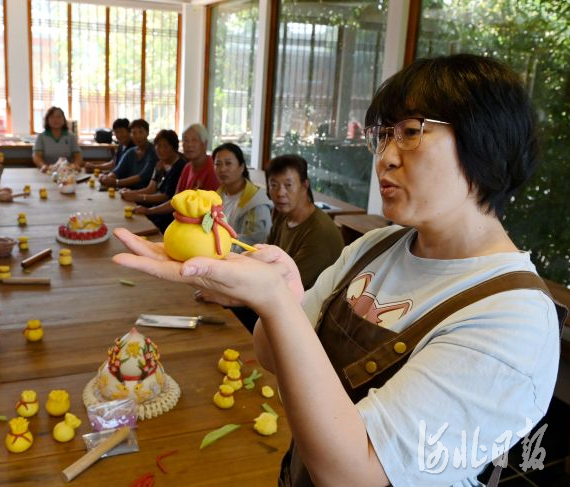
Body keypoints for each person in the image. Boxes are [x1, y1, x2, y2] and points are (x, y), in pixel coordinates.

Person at [111, 54, 565, 486]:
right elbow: (272, 356)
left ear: (487, 142)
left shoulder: (514, 321)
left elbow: (352, 471)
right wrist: (284, 294)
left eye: (410, 131)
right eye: (383, 136)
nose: (385, 156)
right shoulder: (377, 247)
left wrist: (274, 300)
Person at [266, 154, 344, 290]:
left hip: (304, 307)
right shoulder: (283, 215)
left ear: (305, 185)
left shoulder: (320, 232)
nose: (280, 193)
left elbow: (287, 284)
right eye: (274, 185)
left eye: (288, 185)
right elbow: (265, 258)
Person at [140, 124, 220, 227]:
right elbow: (176, 200)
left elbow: (209, 212)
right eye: (185, 141)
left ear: (204, 143)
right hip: (179, 222)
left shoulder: (213, 169)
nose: (189, 145)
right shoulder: (187, 167)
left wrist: (149, 210)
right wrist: (149, 211)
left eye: (194, 140)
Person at [121, 129, 186, 232]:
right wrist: (131, 193)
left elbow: (165, 197)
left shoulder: (180, 166)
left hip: (167, 214)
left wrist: (139, 197)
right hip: (155, 207)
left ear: (174, 148)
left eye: (165, 146)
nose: (160, 149)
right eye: (158, 145)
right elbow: (151, 188)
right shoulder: (160, 164)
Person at [212, 142, 272, 252]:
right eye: (218, 164)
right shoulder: (216, 196)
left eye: (228, 163)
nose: (222, 169)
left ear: (241, 167)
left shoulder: (256, 203)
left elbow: (254, 243)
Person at [99, 119, 157, 190]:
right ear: (131, 135)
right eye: (134, 133)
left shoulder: (153, 152)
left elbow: (142, 177)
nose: (137, 136)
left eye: (141, 132)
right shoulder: (130, 152)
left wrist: (116, 182)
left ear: (147, 133)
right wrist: (107, 178)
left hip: (143, 193)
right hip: (127, 191)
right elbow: (117, 171)